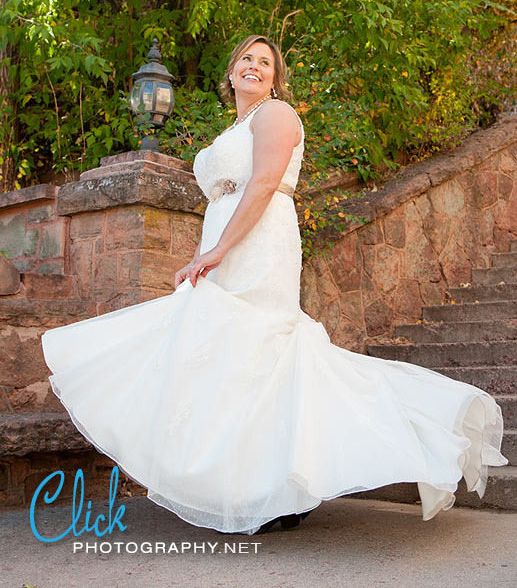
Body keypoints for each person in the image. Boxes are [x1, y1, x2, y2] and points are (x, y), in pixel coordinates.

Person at [41, 34, 509, 536]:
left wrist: (218, 251)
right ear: (231, 71)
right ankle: (258, 487)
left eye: (265, 62)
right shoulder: (235, 126)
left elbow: (263, 183)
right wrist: (214, 246)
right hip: (228, 234)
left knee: (259, 347)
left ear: (274, 77)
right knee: (228, 354)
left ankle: (288, 484)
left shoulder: (276, 115)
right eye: (247, 58)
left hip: (260, 241)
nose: (255, 67)